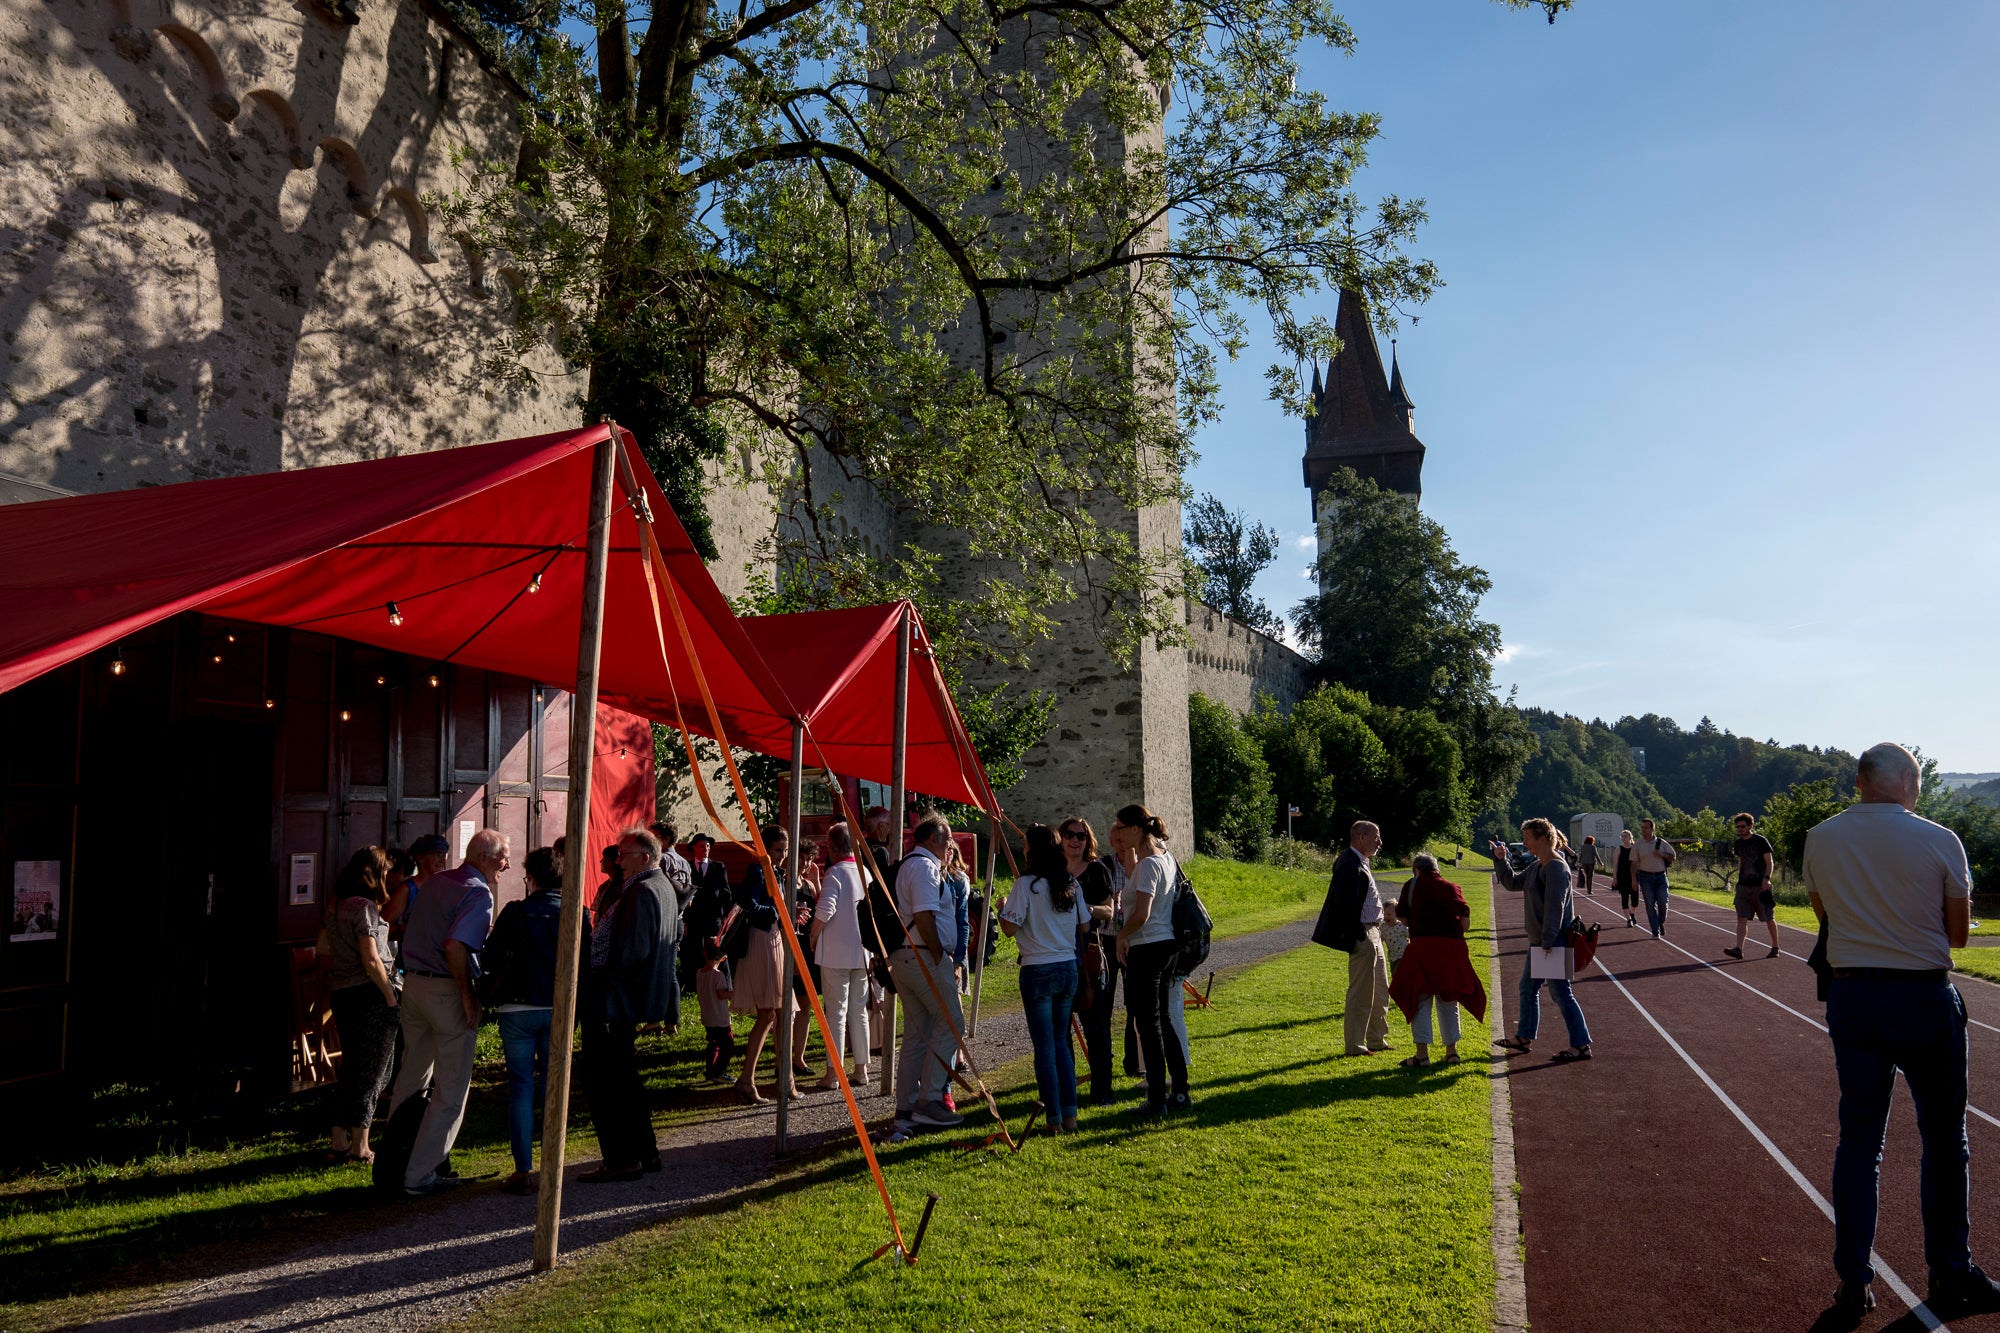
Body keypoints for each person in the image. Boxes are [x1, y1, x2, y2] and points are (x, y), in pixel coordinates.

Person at [1806, 743, 1999, 1321]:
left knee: (1860, 1142)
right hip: (1922, 998)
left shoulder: (1821, 838)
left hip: (1855, 996)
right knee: (1944, 1140)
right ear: (1911, 783)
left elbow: (1825, 916)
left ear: (1860, 783)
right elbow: (1960, 936)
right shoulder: (1941, 839)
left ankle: (1853, 1281)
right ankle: (1950, 1272)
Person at [386, 828, 506, 1194]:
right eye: (503, 856)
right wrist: (468, 997)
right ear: (485, 858)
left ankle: (394, 1164)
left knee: (411, 1077)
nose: (507, 863)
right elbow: (456, 946)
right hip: (444, 989)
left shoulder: (437, 882)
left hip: (415, 986)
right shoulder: (477, 890)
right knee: (451, 1089)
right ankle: (418, 1174)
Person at [580, 828, 682, 1182]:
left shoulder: (642, 891)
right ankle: (644, 1151)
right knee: (624, 1078)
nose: (618, 859)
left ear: (646, 856)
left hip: (616, 1002)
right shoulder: (657, 886)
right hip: (627, 1000)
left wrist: (601, 980)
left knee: (606, 1082)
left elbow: (632, 952)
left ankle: (622, 1158)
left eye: (625, 853)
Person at [481, 846, 566, 1194]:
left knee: (520, 1088)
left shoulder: (516, 912)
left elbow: (490, 956)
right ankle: (553, 1166)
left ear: (530, 878)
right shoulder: (574, 912)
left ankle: (522, 1169)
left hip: (517, 1008)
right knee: (553, 1088)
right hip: (558, 1007)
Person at [1001, 824, 1093, 1132]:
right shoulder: (1069, 882)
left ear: (1032, 851)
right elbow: (1084, 926)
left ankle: (1054, 1119)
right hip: (1067, 966)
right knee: (1061, 1044)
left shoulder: (1026, 885)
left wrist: (1003, 910)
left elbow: (1010, 928)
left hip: (1038, 968)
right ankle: (1070, 1115)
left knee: (1045, 1047)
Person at [321, 846, 400, 1164]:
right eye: (385, 873)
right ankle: (360, 1146)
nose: (388, 879)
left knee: (352, 1068)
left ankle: (338, 1140)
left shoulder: (335, 905)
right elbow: (370, 957)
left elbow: (323, 946)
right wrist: (390, 994)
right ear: (373, 875)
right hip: (370, 993)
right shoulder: (365, 908)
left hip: (342, 991)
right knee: (374, 1071)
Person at [888, 814, 966, 1130]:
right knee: (952, 1022)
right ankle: (930, 1100)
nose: (950, 846)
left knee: (918, 1034)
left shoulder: (915, 865)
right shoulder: (923, 868)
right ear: (933, 839)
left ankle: (907, 1107)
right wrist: (938, 957)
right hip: (921, 957)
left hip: (909, 957)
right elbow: (923, 916)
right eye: (947, 839)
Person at [1491, 819, 1591, 1062]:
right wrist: (1500, 859)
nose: (1524, 842)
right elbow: (1512, 883)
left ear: (1542, 839)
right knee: (1528, 988)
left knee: (1561, 994)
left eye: (1527, 838)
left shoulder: (1556, 868)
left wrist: (1547, 939)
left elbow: (1555, 907)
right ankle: (1523, 1038)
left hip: (1552, 942)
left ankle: (1581, 1045)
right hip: (1542, 942)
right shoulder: (1538, 865)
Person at [1113, 803, 1191, 1117]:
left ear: (1136, 829)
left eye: (1120, 827)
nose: (1116, 833)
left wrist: (1121, 936)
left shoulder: (1149, 865)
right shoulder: (1165, 857)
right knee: (1166, 1020)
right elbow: (1139, 882)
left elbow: (1142, 914)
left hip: (1148, 948)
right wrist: (1124, 851)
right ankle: (1180, 1092)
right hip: (1167, 945)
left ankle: (1157, 1099)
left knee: (1148, 1024)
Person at [1388, 853, 1485, 1067]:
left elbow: (1402, 918)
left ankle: (1422, 1055)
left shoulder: (1411, 886)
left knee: (1420, 1000)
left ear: (1417, 870)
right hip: (1451, 950)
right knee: (1449, 1000)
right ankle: (1452, 1052)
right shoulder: (1453, 887)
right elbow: (1465, 925)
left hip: (1423, 949)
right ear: (1437, 869)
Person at [1312, 820, 1392, 1057]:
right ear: (1361, 836)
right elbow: (1343, 907)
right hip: (1362, 933)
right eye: (1376, 837)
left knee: (1380, 990)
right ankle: (1356, 1045)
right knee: (1361, 992)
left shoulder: (1360, 861)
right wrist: (1358, 935)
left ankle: (1377, 1039)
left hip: (1373, 932)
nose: (1380, 842)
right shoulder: (1349, 863)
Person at [1063, 817, 1121, 1106]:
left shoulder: (1097, 870)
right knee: (1061, 1031)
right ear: (1060, 839)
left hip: (1089, 956)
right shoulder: (1054, 871)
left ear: (1088, 841)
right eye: (1070, 835)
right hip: (1058, 956)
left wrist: (1084, 908)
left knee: (1096, 1027)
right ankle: (1066, 1091)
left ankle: (1102, 1092)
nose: (1076, 840)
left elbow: (1109, 912)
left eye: (1081, 836)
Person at [811, 822, 872, 1090]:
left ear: (833, 847)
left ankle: (834, 1073)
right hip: (863, 952)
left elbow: (825, 909)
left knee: (836, 1013)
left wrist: (813, 935)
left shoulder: (835, 873)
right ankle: (861, 1069)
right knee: (858, 1012)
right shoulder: (865, 872)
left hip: (836, 952)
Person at [729, 827, 787, 1105]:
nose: (783, 855)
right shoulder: (758, 870)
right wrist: (777, 911)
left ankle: (782, 1078)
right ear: (766, 848)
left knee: (776, 1012)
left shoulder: (776, 872)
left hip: (773, 938)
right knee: (768, 1013)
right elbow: (749, 904)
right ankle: (747, 1079)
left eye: (785, 850)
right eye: (778, 850)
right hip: (762, 940)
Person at [1726, 812, 1781, 960]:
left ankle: (1775, 947)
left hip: (1760, 886)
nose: (1740, 829)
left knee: (1768, 917)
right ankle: (1739, 949)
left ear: (1750, 825)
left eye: (1743, 826)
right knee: (1741, 918)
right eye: (1738, 827)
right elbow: (1741, 861)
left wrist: (1767, 878)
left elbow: (1770, 862)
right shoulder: (1738, 843)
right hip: (1743, 886)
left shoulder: (1761, 841)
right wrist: (1739, 877)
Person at [1632, 817, 1676, 938]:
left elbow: (1673, 856)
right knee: (1649, 904)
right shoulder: (1638, 845)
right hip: (1645, 877)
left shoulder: (1661, 843)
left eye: (1646, 827)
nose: (1643, 830)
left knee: (1663, 902)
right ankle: (1655, 930)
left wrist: (1662, 854)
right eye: (1642, 828)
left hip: (1661, 876)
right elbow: (1634, 863)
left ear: (1652, 829)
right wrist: (1634, 880)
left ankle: (1659, 922)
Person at [652, 820, 694, 913]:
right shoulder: (685, 862)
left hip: (662, 916)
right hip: (677, 918)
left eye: (655, 836)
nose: (652, 840)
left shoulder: (661, 859)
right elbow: (689, 900)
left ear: (666, 839)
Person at [1612, 828, 1638, 928]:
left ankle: (1632, 913)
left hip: (1633, 876)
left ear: (1630, 837)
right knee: (1624, 898)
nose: (1623, 838)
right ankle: (1628, 919)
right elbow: (1615, 864)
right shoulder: (1619, 849)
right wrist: (1614, 878)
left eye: (1625, 836)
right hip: (1622, 876)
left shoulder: (1635, 848)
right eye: (1622, 837)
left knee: (1635, 900)